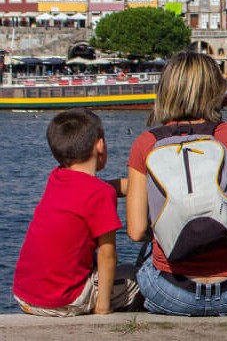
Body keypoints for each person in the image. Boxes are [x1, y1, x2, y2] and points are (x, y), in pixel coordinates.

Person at [126, 51, 227, 316]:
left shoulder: (146, 144)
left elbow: (137, 231)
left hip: (173, 293)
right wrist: (224, 231)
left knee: (139, 266)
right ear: (216, 91)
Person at [13, 108, 141, 316]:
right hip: (61, 302)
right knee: (138, 276)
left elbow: (101, 189)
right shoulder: (100, 194)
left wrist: (142, 184)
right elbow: (108, 256)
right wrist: (103, 306)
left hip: (25, 296)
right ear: (100, 145)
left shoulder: (57, 177)